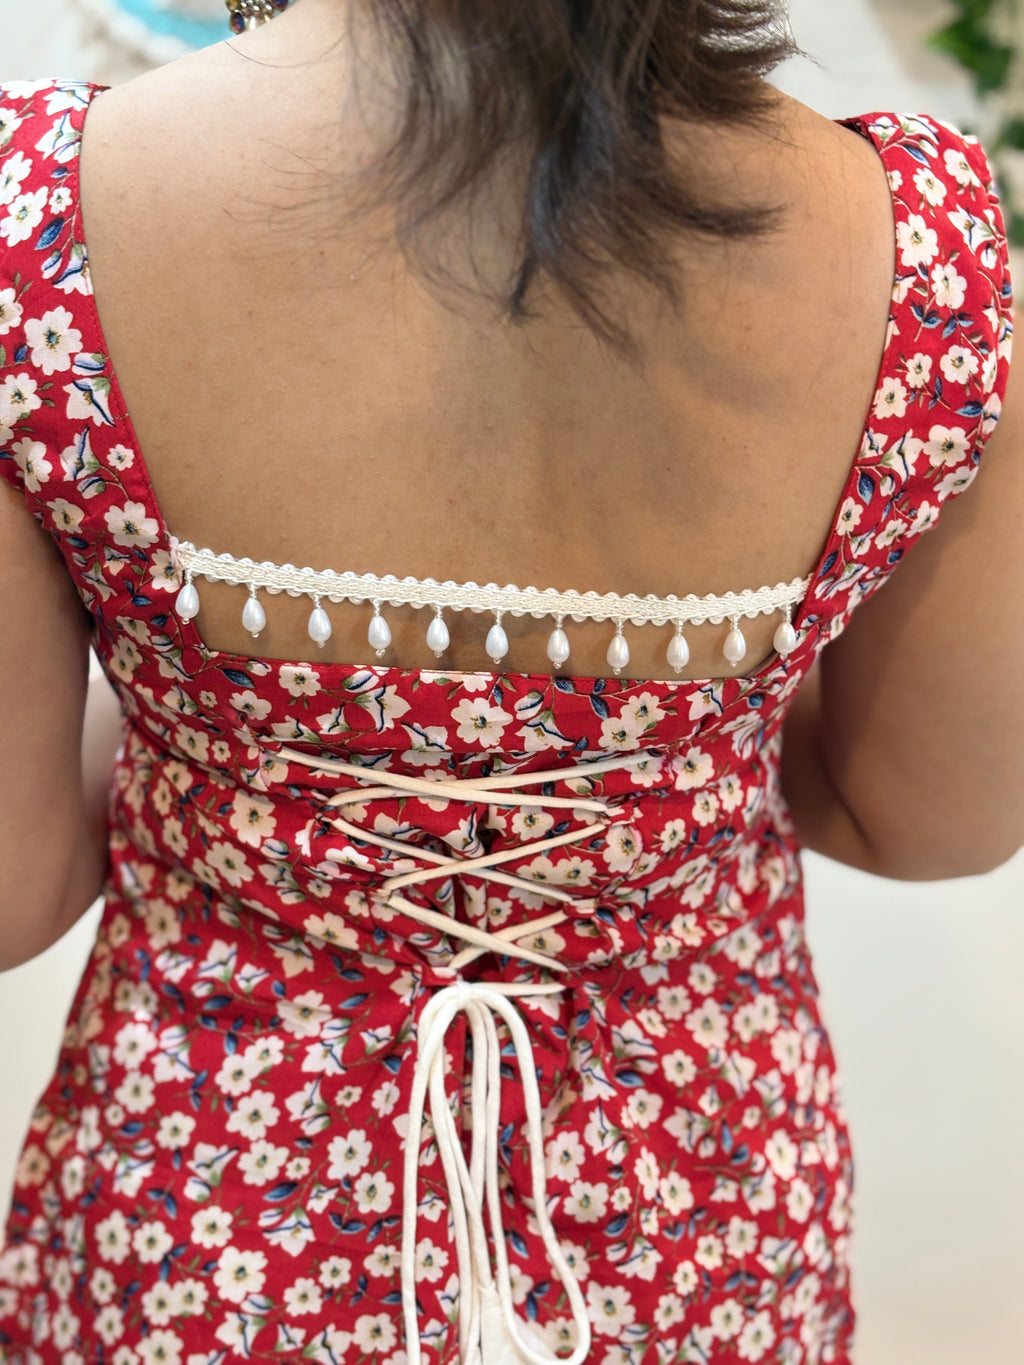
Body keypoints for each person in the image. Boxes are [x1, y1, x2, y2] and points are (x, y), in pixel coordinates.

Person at [0, 0, 1021, 1361]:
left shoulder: (41, 219)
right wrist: (679, 739)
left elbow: (11, 889)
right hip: (691, 1227)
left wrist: (207, 717)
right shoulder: (927, 251)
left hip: (208, 1227)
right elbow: (934, 817)